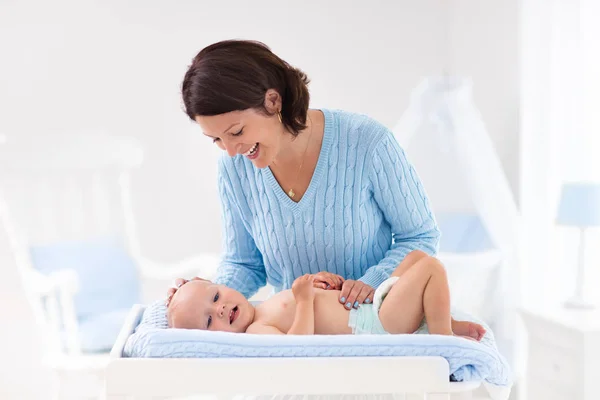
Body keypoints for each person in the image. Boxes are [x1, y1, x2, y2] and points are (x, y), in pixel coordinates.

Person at [170, 39, 440, 310]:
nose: (230, 151)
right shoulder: (233, 169)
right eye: (216, 139)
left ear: (273, 101)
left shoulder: (367, 141)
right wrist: (203, 297)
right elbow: (245, 264)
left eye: (237, 132)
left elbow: (420, 237)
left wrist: (374, 282)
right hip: (296, 333)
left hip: (374, 322)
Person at [167, 250, 486, 340]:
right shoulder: (256, 330)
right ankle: (444, 343)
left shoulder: (263, 305)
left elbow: (320, 307)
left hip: (370, 305)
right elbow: (297, 345)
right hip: (376, 323)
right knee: (431, 267)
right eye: (209, 320)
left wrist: (324, 287)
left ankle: (443, 321)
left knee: (415, 257)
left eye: (215, 297)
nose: (221, 309)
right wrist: (305, 301)